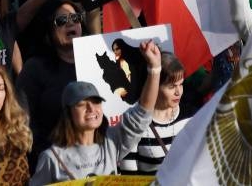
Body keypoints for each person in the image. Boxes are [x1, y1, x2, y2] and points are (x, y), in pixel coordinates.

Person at [28, 40, 162, 184]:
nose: (91, 108)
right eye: (81, 104)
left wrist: (154, 69)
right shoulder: (51, 158)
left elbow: (142, 113)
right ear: (68, 113)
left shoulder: (112, 141)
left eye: (96, 101)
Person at [17, 0, 88, 159]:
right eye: (62, 20)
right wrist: (48, 155)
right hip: (54, 165)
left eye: (75, 18)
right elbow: (22, 120)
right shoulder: (35, 68)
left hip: (97, 163)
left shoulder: (96, 60)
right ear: (48, 30)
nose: (70, 24)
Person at [118, 51, 194, 175]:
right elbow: (130, 177)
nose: (178, 92)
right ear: (154, 86)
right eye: (171, 86)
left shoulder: (191, 116)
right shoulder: (135, 122)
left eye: (180, 85)